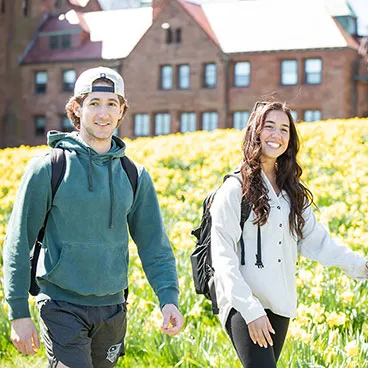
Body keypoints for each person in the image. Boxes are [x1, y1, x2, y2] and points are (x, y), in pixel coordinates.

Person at [3, 66, 184, 368]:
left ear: (122, 111)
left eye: (112, 104)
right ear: (77, 108)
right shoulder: (48, 168)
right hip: (61, 304)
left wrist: (168, 298)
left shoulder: (135, 175)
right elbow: (18, 242)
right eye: (94, 103)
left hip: (113, 308)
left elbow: (155, 245)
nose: (103, 113)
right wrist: (19, 312)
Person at [209, 100, 368, 367]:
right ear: (255, 132)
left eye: (284, 129)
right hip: (243, 304)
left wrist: (362, 267)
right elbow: (223, 257)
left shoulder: (292, 192)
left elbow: (319, 242)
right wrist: (250, 310)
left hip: (280, 305)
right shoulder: (235, 189)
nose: (277, 135)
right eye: (269, 126)